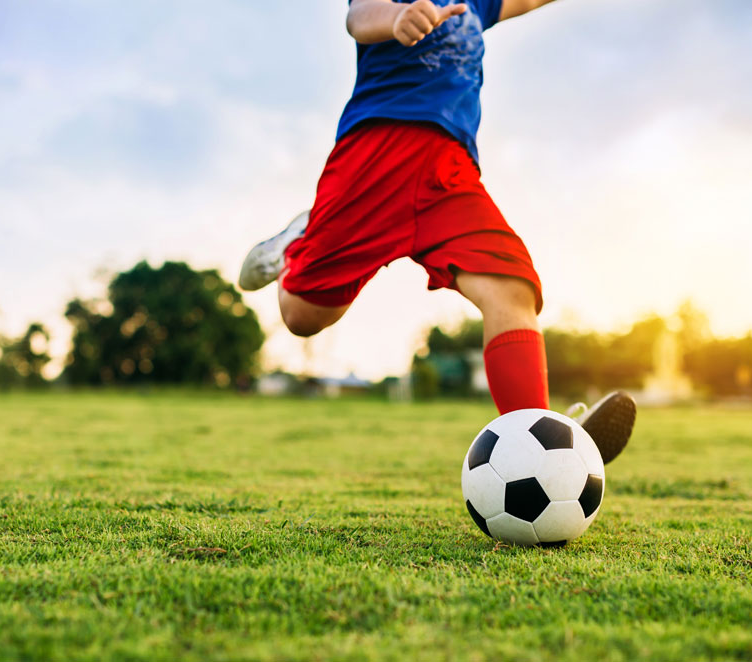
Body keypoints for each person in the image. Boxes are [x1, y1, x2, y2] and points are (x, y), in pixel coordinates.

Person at [239, 0, 635, 463]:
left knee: (512, 288)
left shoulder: (478, 2)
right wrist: (396, 20)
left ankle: (540, 445)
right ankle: (296, 247)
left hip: (450, 174)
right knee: (303, 317)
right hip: (376, 158)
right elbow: (359, 17)